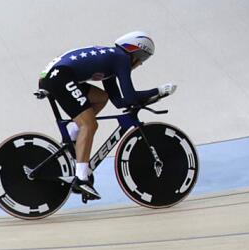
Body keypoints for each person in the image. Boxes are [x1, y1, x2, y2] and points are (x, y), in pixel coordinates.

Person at [37, 31, 176, 200]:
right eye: (143, 57)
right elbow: (130, 96)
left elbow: (119, 101)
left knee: (102, 98)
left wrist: (152, 97)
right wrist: (158, 91)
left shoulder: (111, 60)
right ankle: (81, 179)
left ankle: (74, 133)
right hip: (59, 77)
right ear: (135, 52)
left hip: (56, 76)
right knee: (89, 125)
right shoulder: (121, 58)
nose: (140, 64)